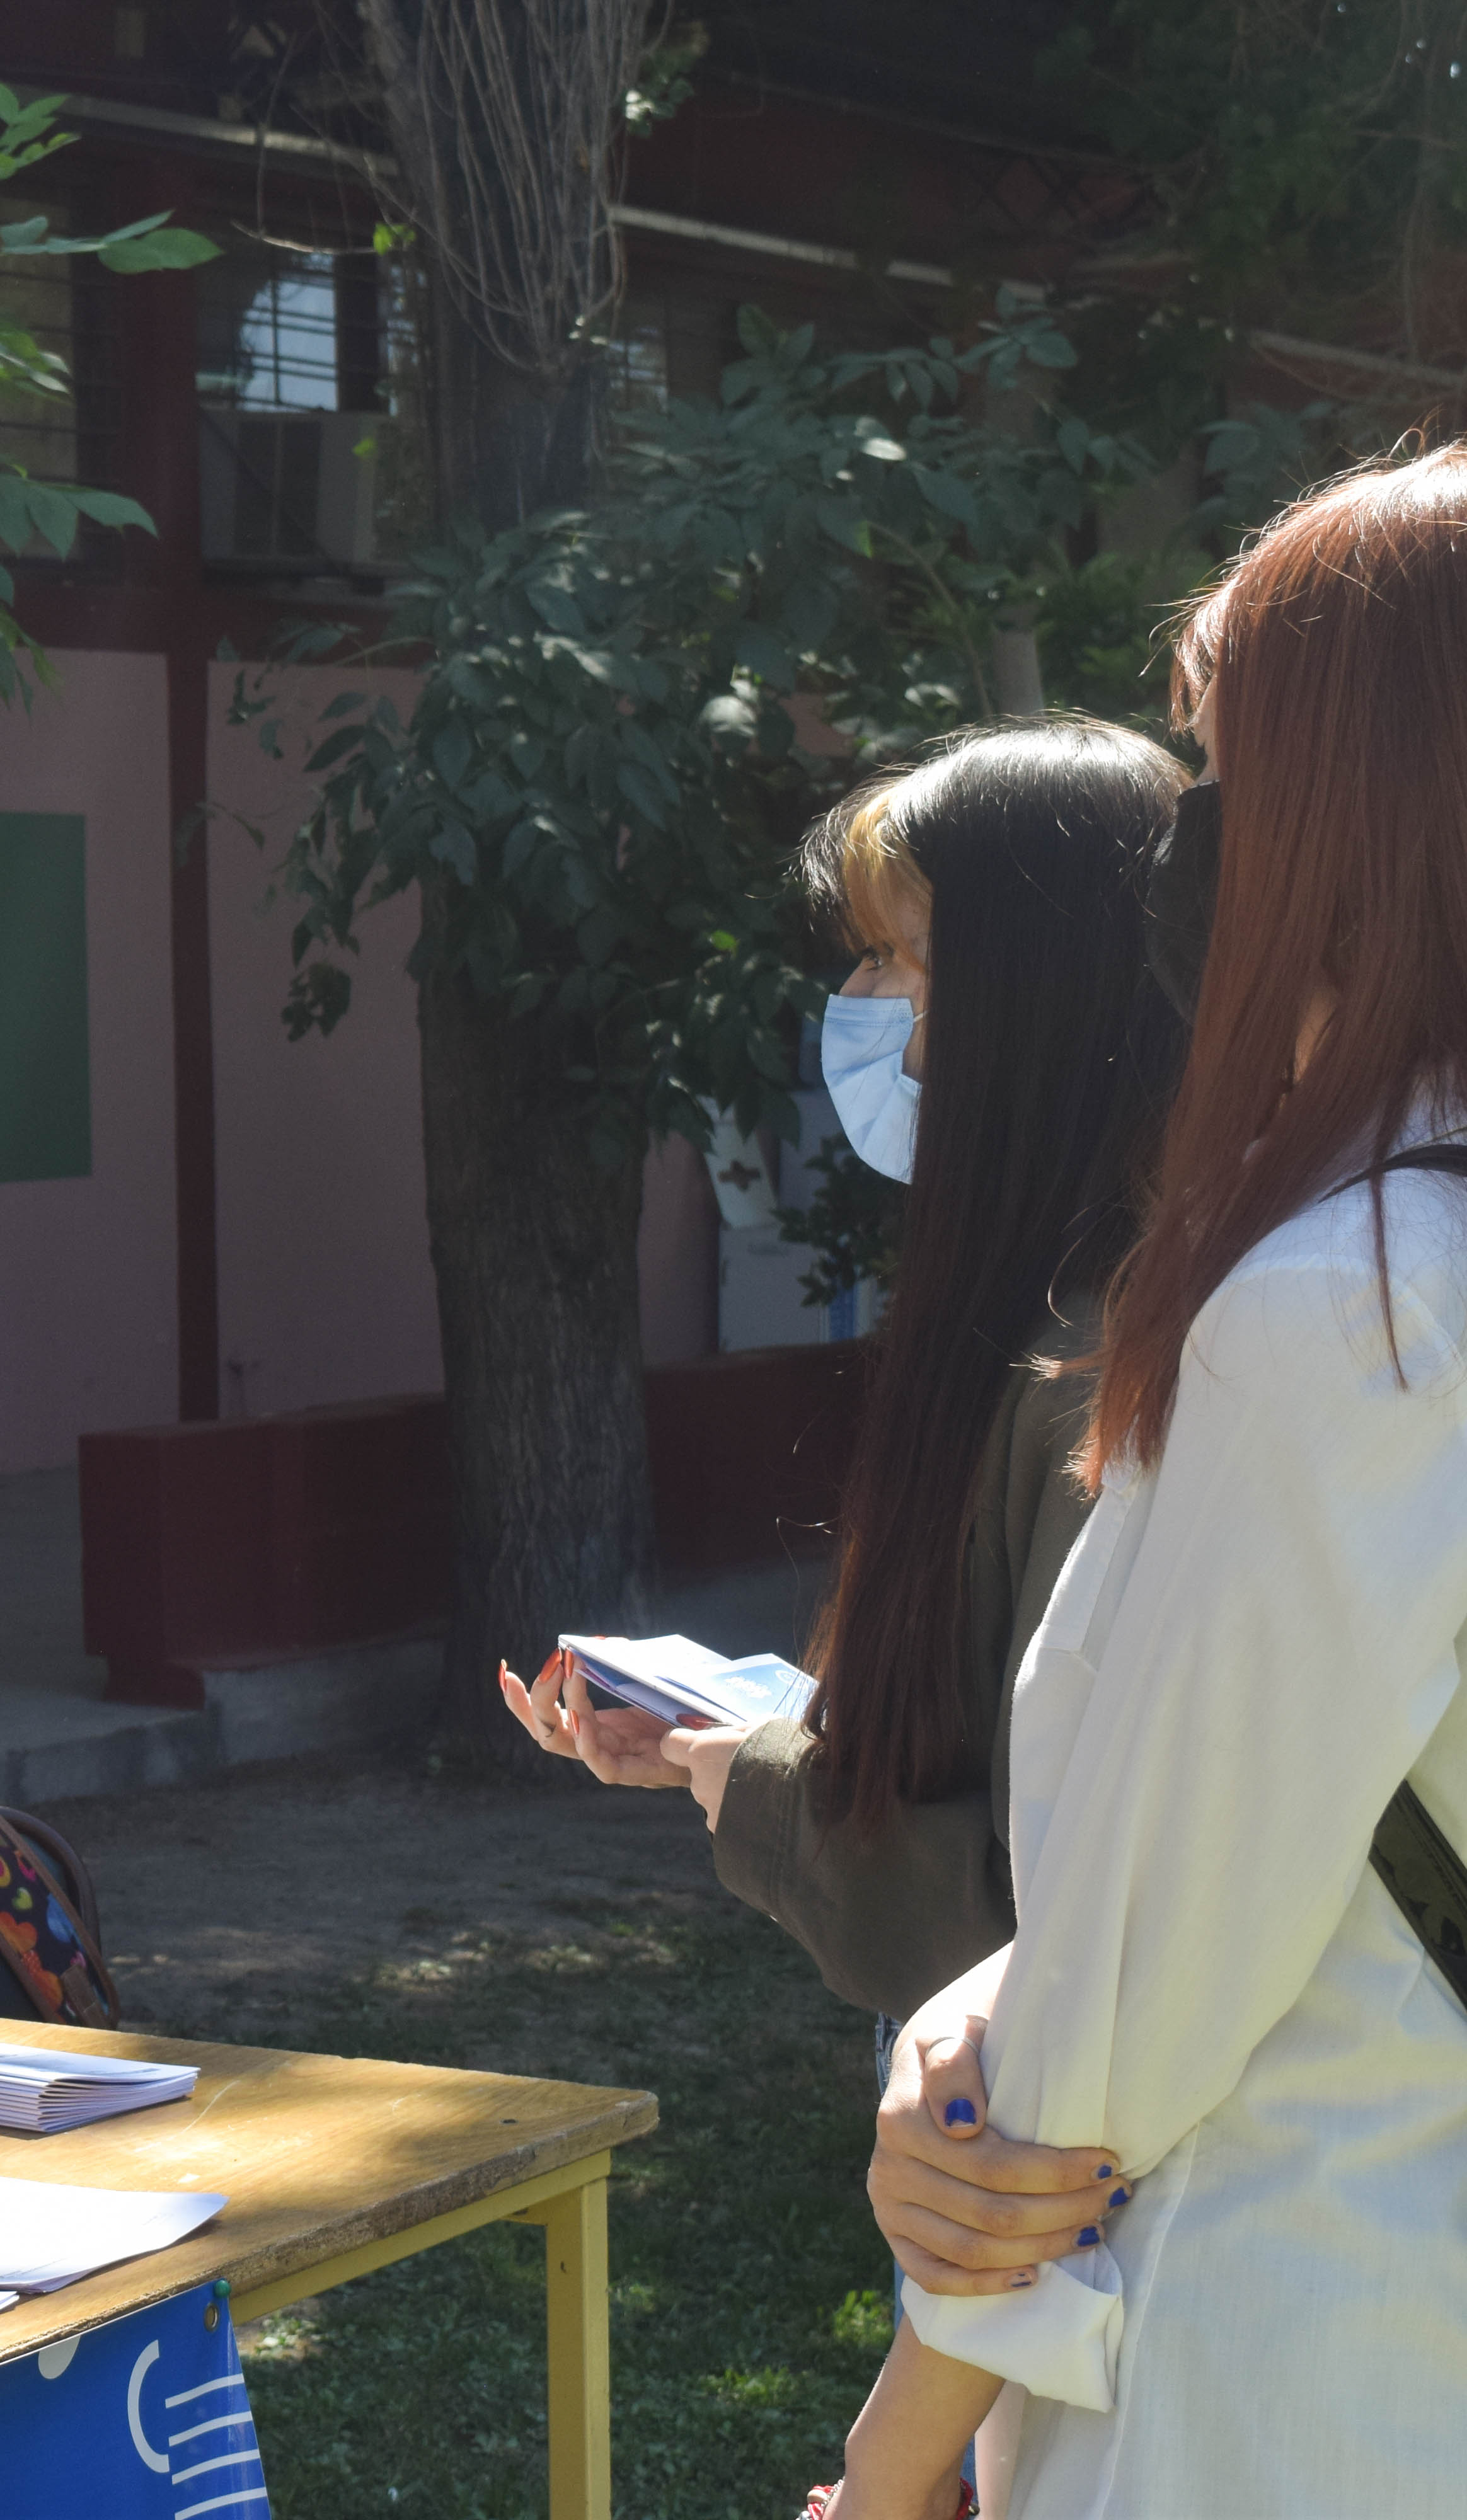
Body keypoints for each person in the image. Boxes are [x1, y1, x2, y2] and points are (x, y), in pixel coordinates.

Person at [827, 450, 1467, 2517]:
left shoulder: (1355, 1304)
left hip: (1304, 2354)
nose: (1189, 857)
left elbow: (1132, 2024)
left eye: (1225, 776)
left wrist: (890, 2460)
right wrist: (990, 1994)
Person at [499, 720, 1188, 2032]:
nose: (862, 1005)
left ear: (1033, 992)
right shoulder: (1049, 1310)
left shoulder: (1119, 1369)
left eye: (895, 955)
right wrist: (748, 1742)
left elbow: (1035, 1892)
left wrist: (739, 1773)